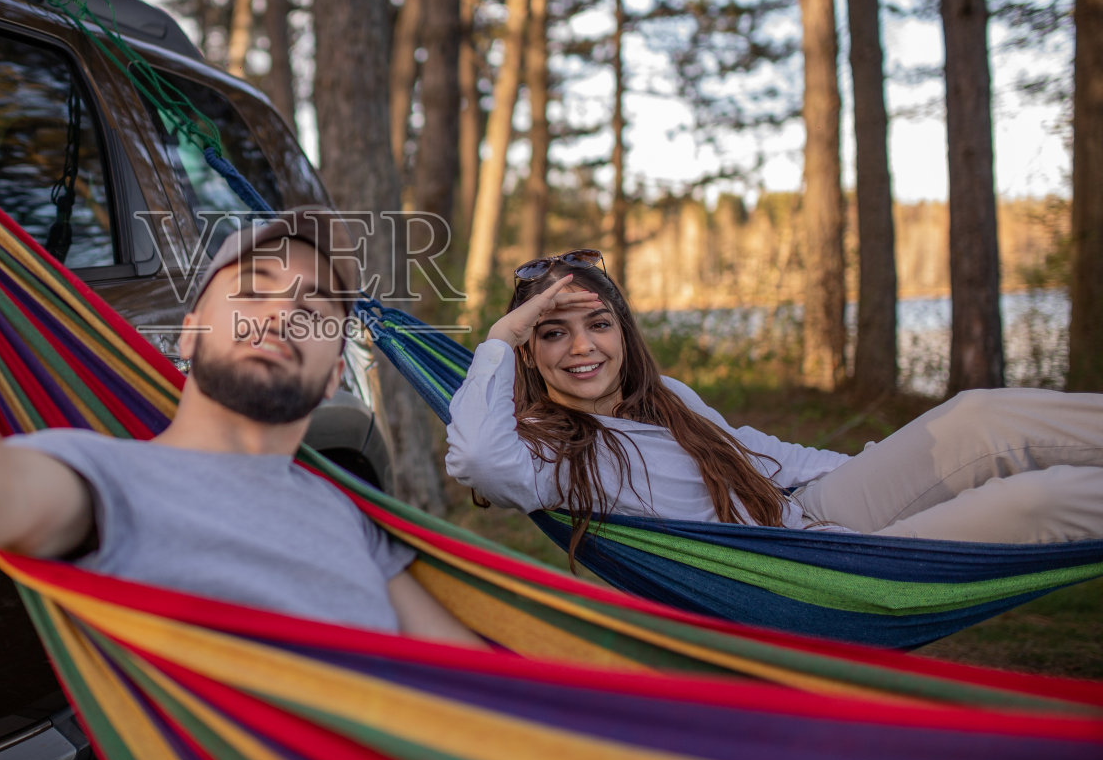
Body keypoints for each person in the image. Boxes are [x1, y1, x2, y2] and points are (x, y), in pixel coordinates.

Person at [0, 207, 481, 645]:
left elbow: (465, 668)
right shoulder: (111, 478)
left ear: (331, 364)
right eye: (253, 289)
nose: (284, 311)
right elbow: (1, 486)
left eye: (315, 308)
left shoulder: (344, 511)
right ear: (188, 334)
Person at [445, 250, 1103, 551]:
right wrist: (502, 334)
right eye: (552, 332)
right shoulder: (549, 447)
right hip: (813, 571)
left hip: (810, 512)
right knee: (1038, 502)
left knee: (975, 416)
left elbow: (766, 455)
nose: (581, 347)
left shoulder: (667, 398)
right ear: (529, 352)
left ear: (623, 330)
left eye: (598, 322)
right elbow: (478, 458)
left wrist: (879, 470)